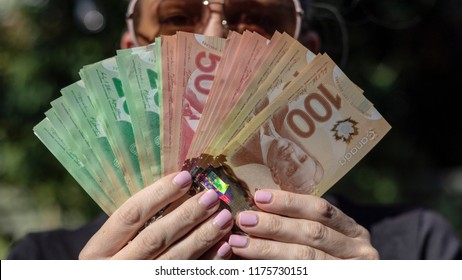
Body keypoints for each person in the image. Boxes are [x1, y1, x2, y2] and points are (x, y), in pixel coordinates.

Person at [7, 0, 462, 260]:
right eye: (177, 18)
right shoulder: (43, 260)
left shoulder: (420, 248)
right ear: (130, 54)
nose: (214, 38)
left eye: (254, 20)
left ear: (305, 59)